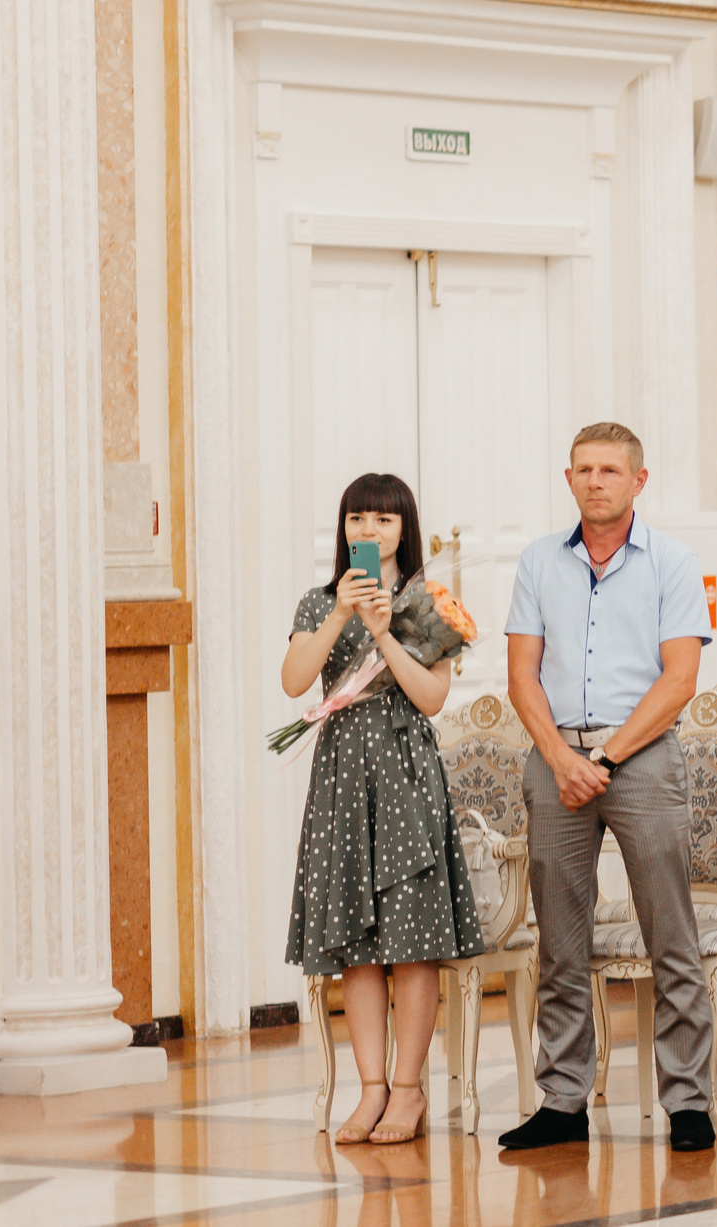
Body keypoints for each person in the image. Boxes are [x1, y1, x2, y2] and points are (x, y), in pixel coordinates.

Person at [497, 423, 716, 1154]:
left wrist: (607, 759)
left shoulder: (675, 563)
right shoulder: (536, 562)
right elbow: (522, 674)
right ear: (569, 479)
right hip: (555, 756)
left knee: (671, 935)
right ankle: (563, 1099)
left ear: (638, 480)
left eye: (611, 469)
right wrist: (561, 758)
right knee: (559, 940)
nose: (597, 480)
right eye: (585, 469)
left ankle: (687, 1100)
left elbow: (680, 678)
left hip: (642, 757)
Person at [282, 472, 483, 1145]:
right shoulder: (318, 600)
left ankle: (407, 1090)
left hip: (403, 772)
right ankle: (368, 1090)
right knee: (358, 944)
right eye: (357, 519)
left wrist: (383, 632)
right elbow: (294, 680)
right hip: (342, 777)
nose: (368, 531)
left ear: (406, 528)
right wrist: (342, 614)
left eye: (384, 520)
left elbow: (430, 697)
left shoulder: (429, 603)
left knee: (412, 942)